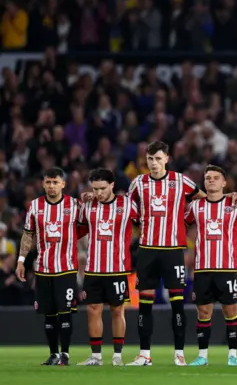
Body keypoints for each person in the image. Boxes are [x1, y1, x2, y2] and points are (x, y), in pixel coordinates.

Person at [84, 141, 206, 366]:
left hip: (173, 250)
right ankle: (144, 354)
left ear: (166, 159)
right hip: (148, 249)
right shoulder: (138, 183)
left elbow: (203, 199)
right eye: (150, 159)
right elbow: (124, 208)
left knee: (178, 304)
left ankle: (179, 354)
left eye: (158, 159)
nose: (154, 163)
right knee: (145, 304)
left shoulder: (182, 181)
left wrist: (186, 219)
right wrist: (96, 198)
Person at [16, 167, 82, 366]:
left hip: (67, 268)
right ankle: (53, 354)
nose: (51, 186)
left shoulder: (74, 205)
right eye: (48, 182)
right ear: (43, 184)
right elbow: (28, 234)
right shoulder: (35, 206)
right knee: (49, 314)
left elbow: (88, 224)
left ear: (63, 184)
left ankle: (66, 354)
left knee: (65, 311)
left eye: (55, 182)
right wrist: (21, 260)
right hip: (43, 269)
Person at [185, 165, 237, 366]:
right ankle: (202, 356)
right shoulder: (195, 207)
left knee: (230, 311)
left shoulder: (235, 205)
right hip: (203, 269)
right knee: (203, 312)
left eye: (215, 177)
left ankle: (233, 355)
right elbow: (183, 224)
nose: (211, 180)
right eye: (208, 178)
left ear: (224, 183)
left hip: (227, 268)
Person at [77, 168, 138, 366]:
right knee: (93, 309)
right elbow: (78, 229)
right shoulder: (87, 206)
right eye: (95, 189)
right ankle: (96, 356)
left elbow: (145, 222)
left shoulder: (127, 204)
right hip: (93, 268)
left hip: (118, 268)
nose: (98, 193)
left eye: (102, 188)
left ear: (112, 185)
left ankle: (117, 356)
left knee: (117, 311)